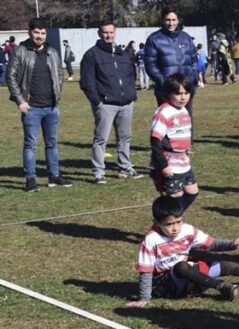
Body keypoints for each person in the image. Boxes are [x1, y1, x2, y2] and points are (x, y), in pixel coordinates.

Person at [127, 196, 239, 308]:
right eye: (169, 224)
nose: (175, 228)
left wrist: (232, 244)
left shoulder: (188, 230)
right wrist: (144, 298)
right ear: (157, 222)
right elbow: (146, 272)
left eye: (178, 221)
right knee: (181, 267)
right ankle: (221, 286)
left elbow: (211, 244)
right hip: (167, 285)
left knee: (223, 264)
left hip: (190, 278)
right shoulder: (150, 240)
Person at [7, 18, 72, 192]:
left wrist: (57, 96)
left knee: (52, 143)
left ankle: (54, 176)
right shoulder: (20, 51)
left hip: (51, 107)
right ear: (30, 32)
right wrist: (20, 100)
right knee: (31, 144)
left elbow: (59, 73)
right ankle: (30, 179)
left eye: (43, 33)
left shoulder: (52, 51)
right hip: (31, 108)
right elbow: (10, 76)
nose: (40, 36)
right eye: (36, 32)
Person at [79, 20, 140, 185]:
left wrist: (131, 94)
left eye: (111, 32)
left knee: (125, 137)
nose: (108, 35)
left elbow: (131, 75)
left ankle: (125, 167)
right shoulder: (91, 54)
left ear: (115, 32)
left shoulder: (123, 53)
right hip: (105, 105)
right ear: (99, 33)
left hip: (126, 103)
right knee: (101, 139)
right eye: (105, 32)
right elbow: (87, 82)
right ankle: (99, 172)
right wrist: (97, 101)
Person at [149, 73, 198, 210]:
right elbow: (155, 140)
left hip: (183, 162)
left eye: (186, 92)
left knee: (192, 192)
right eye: (178, 93)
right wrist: (163, 165)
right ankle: (167, 220)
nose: (183, 97)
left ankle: (171, 218)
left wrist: (187, 147)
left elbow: (183, 132)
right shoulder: (163, 112)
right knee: (175, 199)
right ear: (169, 94)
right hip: (169, 163)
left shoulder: (184, 110)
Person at [144, 7, 198, 118]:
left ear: (178, 21)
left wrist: (192, 79)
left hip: (186, 89)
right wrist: (164, 82)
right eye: (168, 20)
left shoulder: (186, 37)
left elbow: (194, 60)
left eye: (174, 20)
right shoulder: (154, 39)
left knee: (186, 124)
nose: (171, 23)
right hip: (166, 91)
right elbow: (150, 65)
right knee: (168, 124)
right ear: (163, 20)